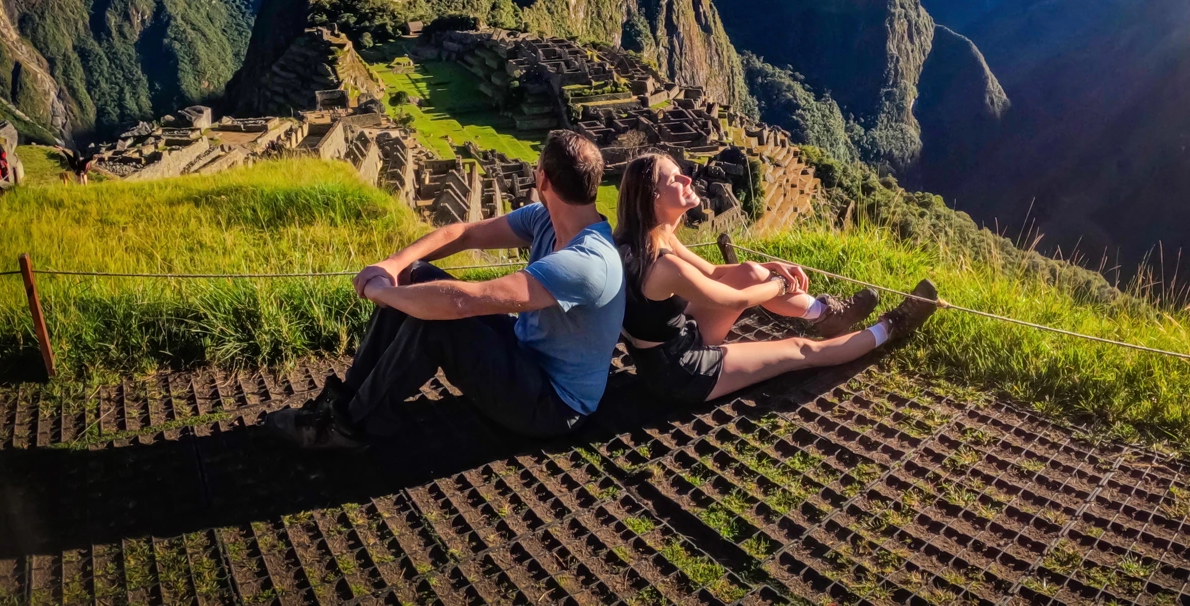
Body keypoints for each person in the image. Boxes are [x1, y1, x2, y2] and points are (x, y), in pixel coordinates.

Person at [266, 130, 625, 450]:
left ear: (542, 178)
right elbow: (465, 234)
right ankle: (345, 399)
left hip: (553, 405)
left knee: (438, 325)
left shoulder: (587, 262)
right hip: (525, 352)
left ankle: (347, 427)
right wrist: (393, 265)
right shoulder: (545, 219)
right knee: (417, 276)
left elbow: (464, 302)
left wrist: (383, 294)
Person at [614, 153, 938, 404]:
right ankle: (891, 327)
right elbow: (738, 301)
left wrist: (766, 267)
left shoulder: (648, 237)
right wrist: (779, 284)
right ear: (654, 197)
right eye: (674, 179)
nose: (688, 178)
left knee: (750, 271)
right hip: (682, 372)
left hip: (673, 343)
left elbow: (712, 272)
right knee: (803, 350)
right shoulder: (664, 265)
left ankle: (827, 315)